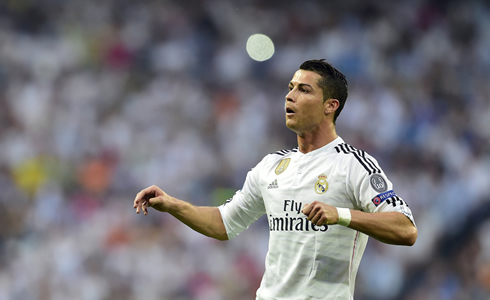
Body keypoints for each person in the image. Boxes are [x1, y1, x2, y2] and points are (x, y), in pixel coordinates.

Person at [133, 59, 417, 299]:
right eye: (290, 88)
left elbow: (406, 229)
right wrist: (172, 205)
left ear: (330, 106)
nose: (290, 96)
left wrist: (341, 215)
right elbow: (223, 224)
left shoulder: (354, 164)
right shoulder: (271, 166)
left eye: (304, 90)